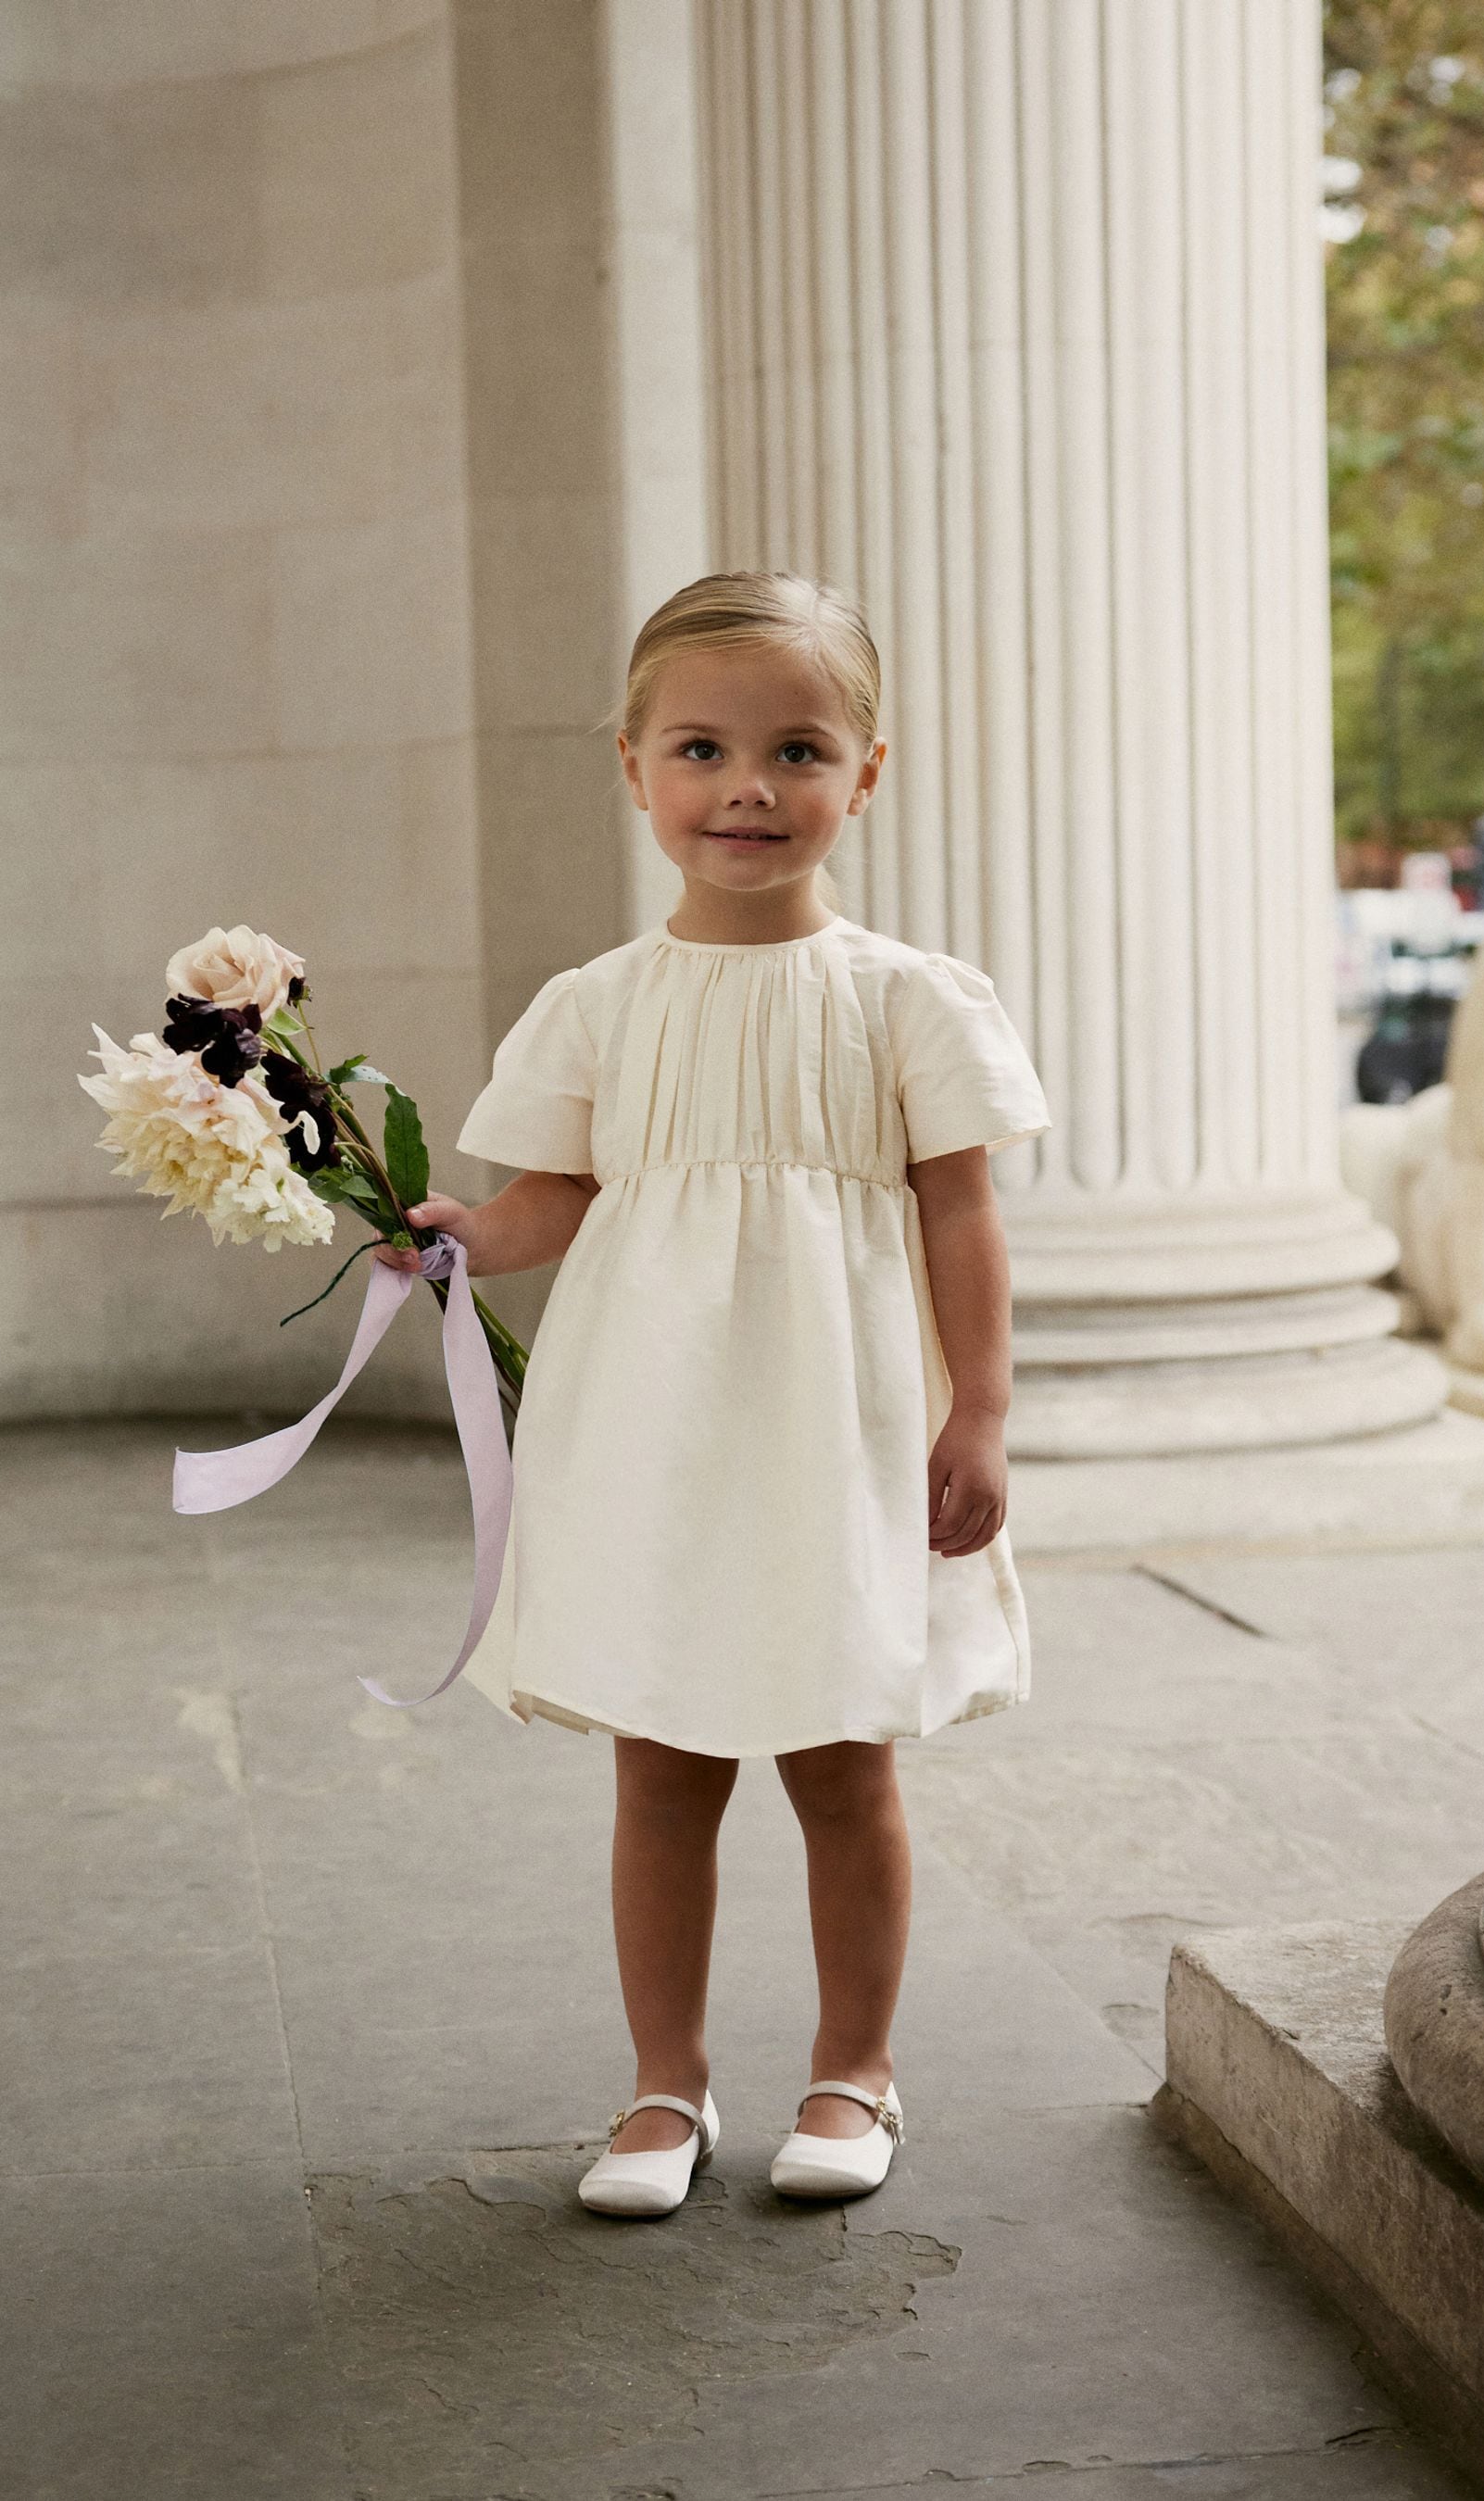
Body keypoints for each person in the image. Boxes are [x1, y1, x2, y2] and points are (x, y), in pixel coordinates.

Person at [375, 572, 1050, 2218]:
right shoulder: (598, 1003)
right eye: (702, 748)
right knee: (661, 1760)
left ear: (865, 776)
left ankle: (856, 2072)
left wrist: (981, 1414)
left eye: (798, 749)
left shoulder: (908, 998)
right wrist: (464, 1236)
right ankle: (661, 2089)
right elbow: (555, 1200)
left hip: (839, 1423)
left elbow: (961, 1210)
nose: (749, 786)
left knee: (840, 1755)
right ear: (635, 768)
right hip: (655, 1426)